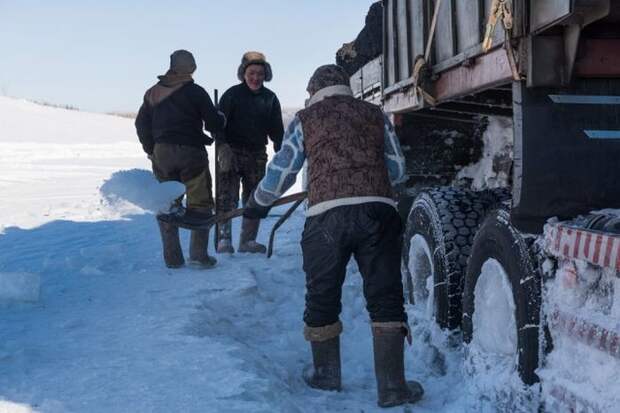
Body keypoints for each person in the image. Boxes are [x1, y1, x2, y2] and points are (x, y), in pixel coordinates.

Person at [243, 64, 424, 408]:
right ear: (345, 88)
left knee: (322, 294)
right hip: (378, 212)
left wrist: (257, 203)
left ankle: (326, 375)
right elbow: (398, 169)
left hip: (326, 217)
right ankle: (392, 387)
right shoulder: (374, 113)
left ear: (314, 92)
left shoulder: (305, 119)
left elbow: (282, 169)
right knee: (385, 296)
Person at [135, 49, 225, 269]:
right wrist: (220, 118)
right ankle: (199, 255)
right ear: (191, 67)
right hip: (191, 153)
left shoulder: (152, 93)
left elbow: (141, 124)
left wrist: (151, 149)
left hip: (162, 154)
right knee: (200, 203)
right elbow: (213, 123)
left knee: (167, 205)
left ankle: (172, 259)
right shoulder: (195, 92)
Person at [215, 51, 284, 254]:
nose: (256, 78)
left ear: (266, 75)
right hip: (231, 152)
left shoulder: (270, 98)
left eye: (260, 74)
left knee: (255, 197)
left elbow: (277, 130)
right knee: (226, 195)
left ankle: (247, 241)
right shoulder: (231, 95)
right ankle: (224, 239)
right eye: (252, 73)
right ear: (243, 73)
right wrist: (222, 146)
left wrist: (280, 150)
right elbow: (217, 125)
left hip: (257, 154)